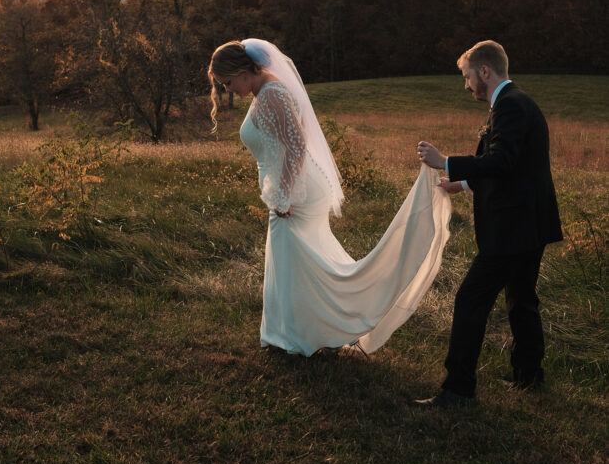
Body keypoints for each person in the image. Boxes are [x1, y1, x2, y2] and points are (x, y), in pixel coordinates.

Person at [208, 39, 451, 357]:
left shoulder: (271, 93)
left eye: (228, 83)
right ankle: (310, 334)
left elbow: (295, 146)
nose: (229, 91)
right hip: (292, 188)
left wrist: (284, 196)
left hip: (294, 192)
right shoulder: (265, 91)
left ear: (241, 71)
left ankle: (299, 337)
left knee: (294, 262)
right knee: (301, 263)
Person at [416, 39, 562, 407]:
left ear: (485, 71)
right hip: (531, 224)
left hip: (512, 229)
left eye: (467, 77)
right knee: (521, 300)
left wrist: (446, 161)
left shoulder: (510, 106)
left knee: (470, 299)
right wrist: (462, 184)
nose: (466, 86)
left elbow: (502, 161)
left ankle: (458, 389)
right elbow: (511, 167)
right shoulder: (518, 103)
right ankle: (529, 375)